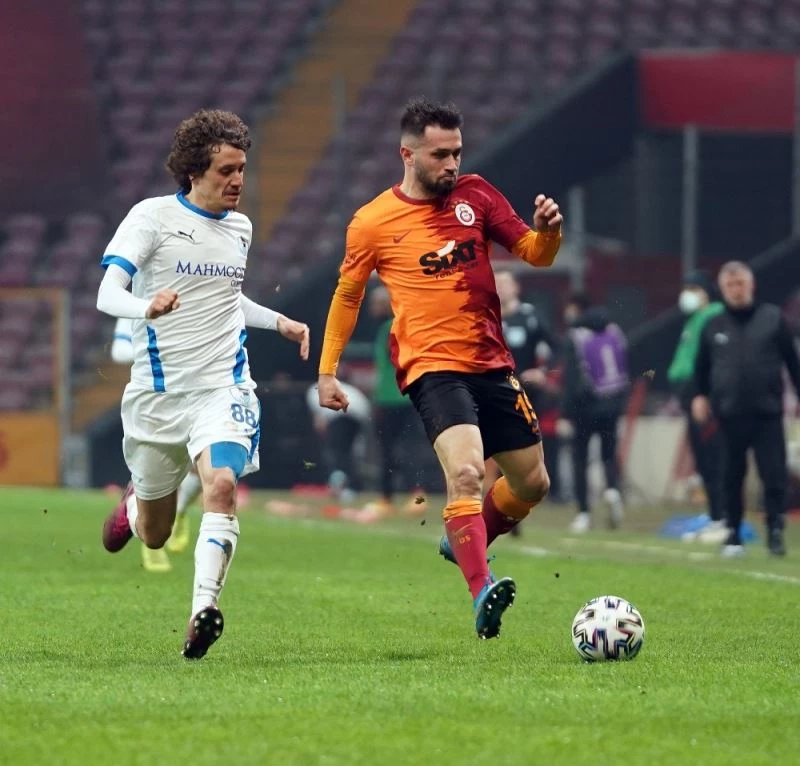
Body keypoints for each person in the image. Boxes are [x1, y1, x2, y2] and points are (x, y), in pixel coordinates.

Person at [316, 97, 562, 639]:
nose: (452, 164)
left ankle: (465, 540)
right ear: (407, 155)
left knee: (532, 483)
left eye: (457, 153)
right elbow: (347, 297)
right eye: (440, 155)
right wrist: (327, 371)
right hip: (432, 369)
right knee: (468, 473)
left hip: (492, 362)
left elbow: (534, 252)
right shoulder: (373, 222)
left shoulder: (478, 194)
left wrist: (548, 232)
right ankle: (482, 591)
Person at [96, 109, 310, 659]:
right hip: (158, 397)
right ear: (194, 170)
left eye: (242, 169)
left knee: (221, 484)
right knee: (155, 533)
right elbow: (107, 293)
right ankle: (134, 507)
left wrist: (278, 322)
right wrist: (146, 306)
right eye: (226, 171)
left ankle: (202, 611)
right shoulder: (152, 218)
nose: (238, 181)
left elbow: (227, 298)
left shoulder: (240, 228)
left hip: (223, 387)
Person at [693, 261, 800, 557]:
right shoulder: (713, 325)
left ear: (751, 285)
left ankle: (775, 531)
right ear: (722, 289)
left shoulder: (772, 319)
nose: (736, 290)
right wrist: (700, 396)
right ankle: (733, 533)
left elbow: (792, 362)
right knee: (730, 476)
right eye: (730, 285)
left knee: (774, 475)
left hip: (767, 412)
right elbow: (702, 368)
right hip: (728, 414)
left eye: (740, 283)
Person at [110, 317, 202, 573]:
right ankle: (152, 537)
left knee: (202, 462)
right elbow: (119, 350)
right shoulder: (136, 304)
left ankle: (179, 511)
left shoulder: (195, 299)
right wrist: (163, 352)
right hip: (154, 397)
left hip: (198, 390)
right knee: (158, 471)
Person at [492, 268, 562, 519]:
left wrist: (543, 371)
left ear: (516, 288)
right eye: (497, 283)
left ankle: (544, 490)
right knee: (500, 443)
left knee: (533, 441)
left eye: (505, 283)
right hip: (494, 390)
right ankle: (503, 498)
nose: (500, 288)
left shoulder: (530, 316)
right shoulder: (486, 315)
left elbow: (557, 347)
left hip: (525, 392)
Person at [559, 292, 629, 533]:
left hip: (584, 408)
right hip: (612, 405)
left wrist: (565, 414)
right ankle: (612, 491)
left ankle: (584, 513)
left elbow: (570, 380)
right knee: (608, 455)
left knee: (581, 459)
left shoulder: (575, 336)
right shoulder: (614, 331)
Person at [666, 271, 725, 542]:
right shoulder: (695, 319)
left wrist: (706, 394)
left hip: (703, 395)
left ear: (705, 291)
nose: (687, 294)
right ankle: (716, 516)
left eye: (693, 288)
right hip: (690, 395)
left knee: (713, 458)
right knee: (703, 459)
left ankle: (722, 517)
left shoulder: (713, 316)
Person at [365, 284, 432, 517]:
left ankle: (391, 497)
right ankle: (409, 496)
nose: (372, 308)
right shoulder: (394, 326)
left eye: (376, 303)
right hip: (404, 396)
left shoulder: (392, 326)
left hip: (393, 398)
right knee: (407, 448)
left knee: (393, 449)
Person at [305, 372, 371, 504]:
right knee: (346, 453)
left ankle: (339, 487)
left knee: (335, 453)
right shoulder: (349, 388)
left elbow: (319, 420)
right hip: (357, 417)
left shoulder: (315, 388)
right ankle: (347, 487)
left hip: (340, 416)